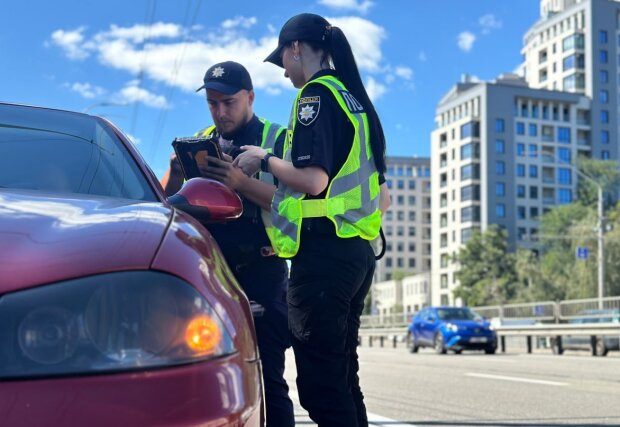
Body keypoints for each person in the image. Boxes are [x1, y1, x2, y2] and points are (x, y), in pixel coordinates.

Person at [233, 13, 391, 427]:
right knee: (342, 380)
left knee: (322, 389)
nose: (284, 71)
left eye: (282, 59)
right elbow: (383, 198)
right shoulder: (357, 102)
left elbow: (313, 181)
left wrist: (262, 158)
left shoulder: (316, 97)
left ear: (296, 48)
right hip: (357, 254)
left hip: (323, 258)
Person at [161, 61, 295, 427]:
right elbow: (162, 203)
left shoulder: (279, 140)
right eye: (212, 103)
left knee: (268, 380)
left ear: (250, 97)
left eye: (229, 102)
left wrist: (240, 182)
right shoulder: (200, 139)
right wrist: (175, 174)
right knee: (205, 380)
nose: (220, 112)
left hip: (264, 274)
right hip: (210, 276)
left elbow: (298, 207)